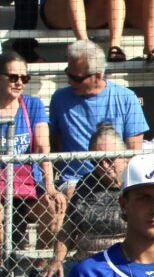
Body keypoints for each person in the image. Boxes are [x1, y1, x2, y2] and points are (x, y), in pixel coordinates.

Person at [50, 41, 145, 191]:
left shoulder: (126, 98)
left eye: (77, 78)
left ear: (98, 76)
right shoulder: (59, 99)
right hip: (74, 180)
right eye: (68, 73)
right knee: (69, 192)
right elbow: (54, 144)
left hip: (116, 179)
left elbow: (134, 152)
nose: (69, 81)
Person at [0, 49, 58, 265]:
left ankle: (37, 268)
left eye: (24, 78)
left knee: (51, 214)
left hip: (28, 181)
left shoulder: (32, 105)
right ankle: (3, 270)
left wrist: (50, 187)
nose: (19, 83)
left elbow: (43, 148)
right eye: (13, 77)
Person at [50, 124, 129, 277]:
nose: (104, 165)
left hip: (124, 263)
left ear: (124, 154)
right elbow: (67, 230)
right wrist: (57, 259)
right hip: (86, 262)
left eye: (109, 158)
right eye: (97, 160)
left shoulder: (134, 183)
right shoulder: (86, 184)